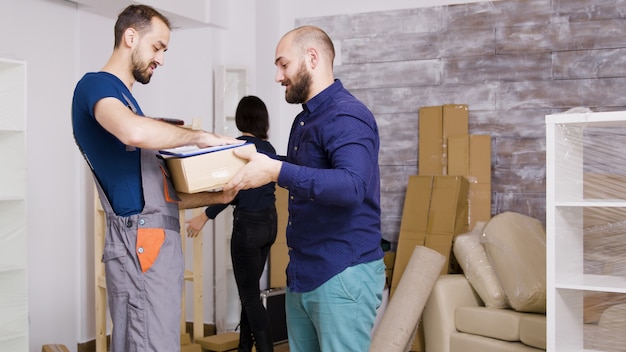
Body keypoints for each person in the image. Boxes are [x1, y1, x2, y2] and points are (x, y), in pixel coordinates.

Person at [71, 5, 240, 352]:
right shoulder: (96, 87)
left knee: (154, 341)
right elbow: (133, 132)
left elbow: (160, 195)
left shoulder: (130, 104)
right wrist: (198, 136)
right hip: (140, 243)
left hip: (155, 240)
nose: (161, 59)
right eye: (158, 47)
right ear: (130, 37)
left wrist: (218, 196)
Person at [224, 25, 386, 352]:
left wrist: (276, 170)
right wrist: (263, 158)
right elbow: (310, 170)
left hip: (343, 273)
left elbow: (352, 185)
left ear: (311, 58)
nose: (277, 76)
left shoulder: (347, 115)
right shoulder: (307, 119)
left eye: (283, 64)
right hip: (304, 273)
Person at [186, 95, 278, 352]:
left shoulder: (237, 148)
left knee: (249, 296)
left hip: (248, 228)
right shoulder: (267, 149)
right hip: (270, 225)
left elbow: (231, 190)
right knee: (249, 294)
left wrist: (204, 215)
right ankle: (243, 347)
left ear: (241, 119)